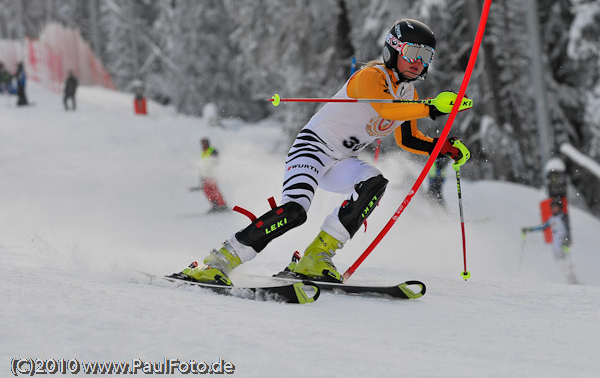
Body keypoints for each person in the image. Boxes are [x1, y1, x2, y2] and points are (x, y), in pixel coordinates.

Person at [178, 19, 471, 285]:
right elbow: (385, 108)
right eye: (413, 53)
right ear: (393, 49)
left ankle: (315, 257)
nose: (418, 63)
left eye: (426, 56)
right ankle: (220, 259)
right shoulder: (370, 76)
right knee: (294, 212)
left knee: (374, 183)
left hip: (342, 161)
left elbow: (408, 138)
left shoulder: (409, 93)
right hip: (312, 149)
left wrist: (444, 147)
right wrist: (433, 107)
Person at [189, 138, 229, 213]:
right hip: (205, 175)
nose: (204, 145)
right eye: (203, 144)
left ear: (208, 143)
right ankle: (215, 205)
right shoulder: (203, 153)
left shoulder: (212, 150)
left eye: (205, 143)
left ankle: (222, 204)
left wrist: (212, 163)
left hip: (212, 174)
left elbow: (216, 160)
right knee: (207, 190)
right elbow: (203, 165)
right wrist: (201, 176)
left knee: (214, 189)